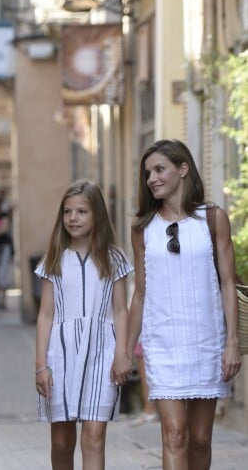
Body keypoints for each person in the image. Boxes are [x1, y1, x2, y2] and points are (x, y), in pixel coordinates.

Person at [127, 139, 241, 470]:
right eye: (148, 173)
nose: (152, 178)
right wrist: (125, 350)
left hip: (207, 343)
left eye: (159, 169)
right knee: (174, 434)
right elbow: (140, 293)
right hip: (163, 344)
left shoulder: (213, 219)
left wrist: (231, 342)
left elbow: (227, 282)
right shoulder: (143, 228)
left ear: (183, 169)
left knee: (201, 439)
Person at [35, 179, 132, 470]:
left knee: (93, 437)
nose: (73, 218)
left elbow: (120, 310)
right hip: (60, 356)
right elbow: (45, 315)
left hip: (103, 354)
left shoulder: (114, 259)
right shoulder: (53, 259)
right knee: (62, 443)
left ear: (97, 215)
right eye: (67, 212)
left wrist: (122, 354)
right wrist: (41, 364)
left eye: (81, 212)